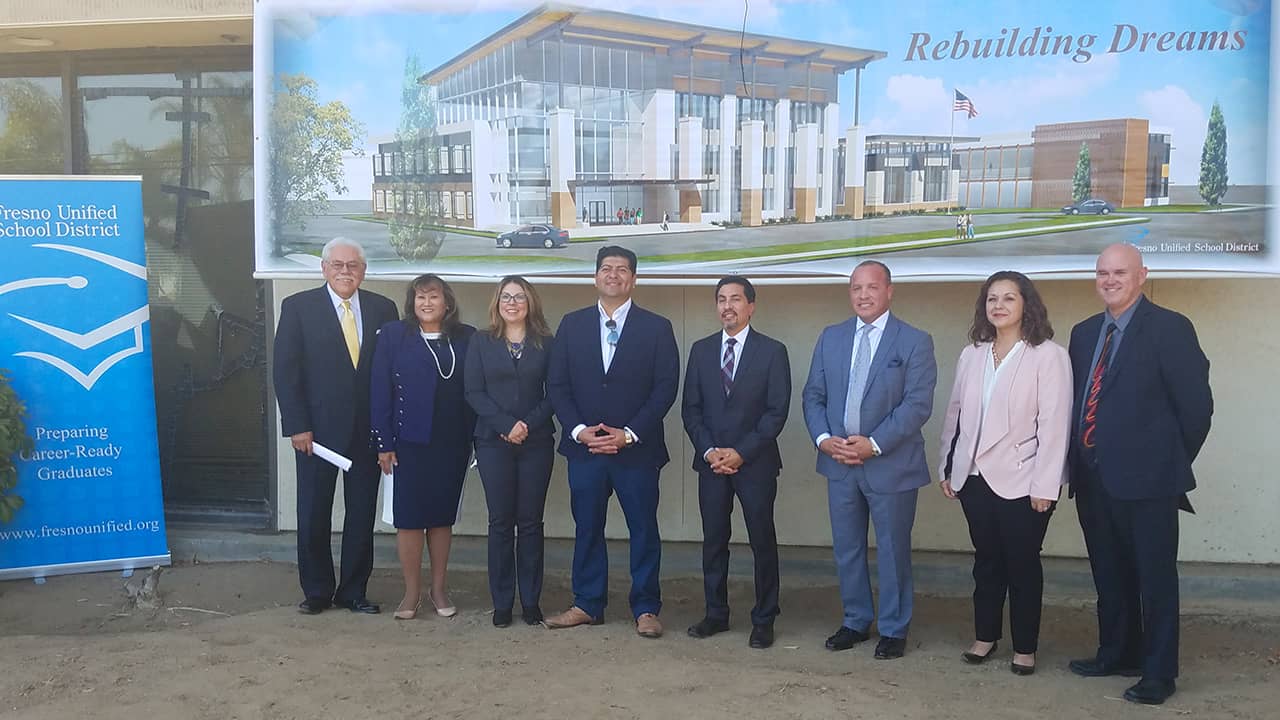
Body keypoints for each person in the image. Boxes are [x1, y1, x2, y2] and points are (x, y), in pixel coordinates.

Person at [1066, 244, 1212, 705]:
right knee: (1109, 575)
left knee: (1155, 580)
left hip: (1151, 482)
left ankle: (1159, 672)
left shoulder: (1170, 328)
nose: (1110, 280)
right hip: (1092, 479)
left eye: (1120, 272)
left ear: (1142, 275)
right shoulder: (1084, 333)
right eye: (1103, 272)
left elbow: (1196, 410)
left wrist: (1167, 460)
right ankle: (1117, 652)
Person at [937, 271, 1072, 676]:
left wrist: (1044, 484)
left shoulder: (1048, 355)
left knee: (1023, 564)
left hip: (1024, 480)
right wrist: (948, 465)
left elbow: (1054, 424)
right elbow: (955, 413)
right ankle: (985, 635)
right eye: (992, 298)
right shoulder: (973, 353)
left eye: (1008, 298)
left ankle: (1025, 647)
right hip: (975, 479)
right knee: (987, 562)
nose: (998, 305)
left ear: (1026, 304)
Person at [801, 259, 936, 660]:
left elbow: (917, 405)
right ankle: (856, 620)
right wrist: (825, 440)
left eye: (872, 287)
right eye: (856, 288)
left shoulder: (914, 341)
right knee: (847, 547)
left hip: (891, 465)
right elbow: (813, 395)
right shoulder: (831, 337)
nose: (863, 295)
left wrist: (874, 444)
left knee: (893, 549)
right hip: (839, 463)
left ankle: (894, 628)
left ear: (889, 291)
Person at [544, 246, 680, 638]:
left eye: (623, 270)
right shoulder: (571, 325)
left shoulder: (657, 327)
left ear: (634, 279)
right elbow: (558, 384)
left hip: (637, 449)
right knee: (587, 527)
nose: (614, 275)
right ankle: (587, 603)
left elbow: (665, 387)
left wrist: (629, 433)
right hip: (585, 449)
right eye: (606, 268)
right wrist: (577, 430)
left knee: (643, 529)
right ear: (595, 277)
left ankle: (646, 608)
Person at [273, 237, 399, 615]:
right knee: (314, 511)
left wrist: (387, 431)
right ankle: (316, 590)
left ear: (363, 270)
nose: (346, 272)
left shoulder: (383, 308)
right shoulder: (297, 307)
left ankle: (353, 590)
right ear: (324, 268)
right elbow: (286, 371)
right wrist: (297, 425)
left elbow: (392, 373)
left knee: (361, 514)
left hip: (367, 433)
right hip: (316, 435)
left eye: (353, 265)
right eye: (338, 265)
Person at [681, 275, 791, 649]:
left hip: (755, 464)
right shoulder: (700, 350)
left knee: (762, 541)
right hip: (710, 464)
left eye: (736, 299)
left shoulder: (773, 351)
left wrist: (741, 452)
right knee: (714, 540)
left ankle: (764, 618)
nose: (728, 306)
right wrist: (710, 451)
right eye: (721, 299)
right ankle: (716, 613)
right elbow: (690, 410)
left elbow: (776, 413)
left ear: (751, 306)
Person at [370, 274, 477, 620]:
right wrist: (383, 442)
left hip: (452, 443)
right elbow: (379, 389)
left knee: (441, 519)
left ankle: (439, 589)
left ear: (447, 302)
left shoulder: (466, 337)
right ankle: (411, 592)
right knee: (410, 520)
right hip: (406, 443)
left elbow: (475, 390)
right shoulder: (393, 336)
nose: (427, 303)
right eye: (420, 298)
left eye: (433, 297)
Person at [464, 276, 556, 628]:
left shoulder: (546, 343)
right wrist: (505, 425)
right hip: (492, 441)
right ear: (497, 302)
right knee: (500, 522)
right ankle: (502, 602)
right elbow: (473, 391)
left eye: (519, 297)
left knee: (531, 523)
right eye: (506, 296)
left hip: (535, 442)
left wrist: (526, 425)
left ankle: (530, 601)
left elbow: (555, 392)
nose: (512, 302)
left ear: (530, 302)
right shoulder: (481, 341)